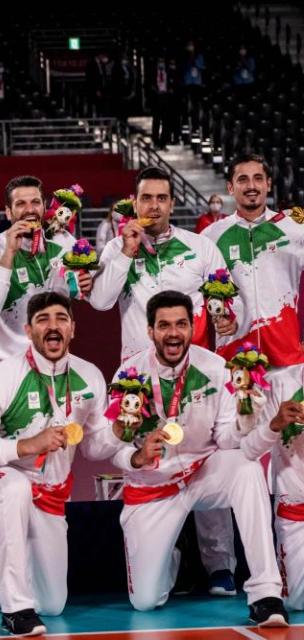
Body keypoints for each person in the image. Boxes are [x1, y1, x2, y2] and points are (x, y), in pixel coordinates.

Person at [105, 290, 287, 627]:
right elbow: (110, 446)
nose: (173, 333)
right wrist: (136, 456)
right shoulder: (128, 374)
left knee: (246, 468)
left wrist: (248, 418)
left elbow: (227, 440)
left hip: (202, 474)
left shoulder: (215, 367)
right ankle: (169, 556)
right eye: (164, 326)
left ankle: (266, 594)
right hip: (153, 487)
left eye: (181, 324)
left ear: (191, 327)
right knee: (146, 601)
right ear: (150, 331)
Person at [0, 292, 122, 636]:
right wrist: (27, 445)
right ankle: (14, 610)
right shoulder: (3, 376)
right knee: (16, 488)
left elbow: (95, 447)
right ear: (28, 329)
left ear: (73, 329)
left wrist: (120, 431)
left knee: (52, 603)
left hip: (50, 494)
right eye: (43, 320)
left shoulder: (90, 376)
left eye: (61, 319)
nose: (53, 326)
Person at [88, 166, 240, 360]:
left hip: (193, 369)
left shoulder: (201, 246)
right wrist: (126, 252)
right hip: (138, 374)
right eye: (146, 198)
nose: (154, 205)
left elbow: (230, 303)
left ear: (172, 204)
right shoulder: (116, 248)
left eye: (161, 198)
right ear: (135, 204)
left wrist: (228, 319)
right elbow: (100, 302)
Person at [0, 175, 90, 371]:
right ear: (8, 212)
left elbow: (77, 294)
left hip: (52, 363)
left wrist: (83, 283)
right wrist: (9, 253)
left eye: (35, 202)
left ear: (44, 207)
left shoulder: (63, 244)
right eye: (20, 204)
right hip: (4, 366)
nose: (29, 210)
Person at [202, 154, 304, 369]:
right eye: (242, 180)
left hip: (286, 359)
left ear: (268, 184)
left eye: (258, 178)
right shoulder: (210, 237)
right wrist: (216, 316)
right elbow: (196, 294)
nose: (251, 186)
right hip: (234, 360)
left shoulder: (294, 230)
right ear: (230, 187)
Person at [241, 362, 304, 611]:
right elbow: (249, 449)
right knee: (296, 603)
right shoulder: (278, 383)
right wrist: (274, 425)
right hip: (296, 509)